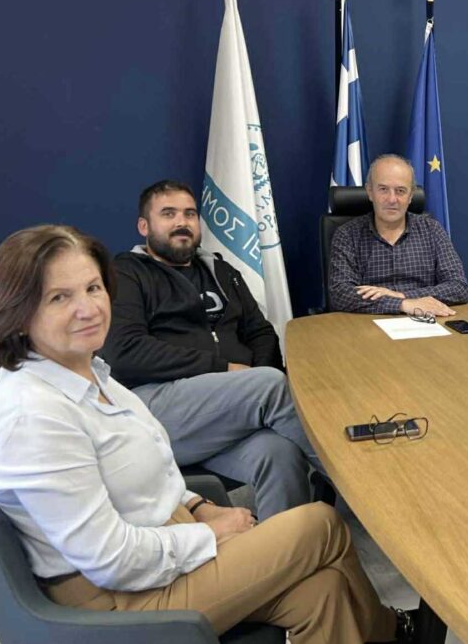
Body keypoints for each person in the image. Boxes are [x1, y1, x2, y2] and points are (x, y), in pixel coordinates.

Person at [0, 224, 414, 644]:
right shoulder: (33, 415)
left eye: (93, 288)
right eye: (59, 297)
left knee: (323, 589)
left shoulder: (88, 371)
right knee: (320, 523)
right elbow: (110, 560)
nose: (88, 308)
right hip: (118, 601)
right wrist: (208, 535)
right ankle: (388, 630)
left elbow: (147, 473)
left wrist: (197, 507)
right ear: (18, 312)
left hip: (158, 550)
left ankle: (382, 631)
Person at [100, 180, 324, 522]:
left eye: (190, 214)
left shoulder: (221, 270)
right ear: (144, 226)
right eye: (168, 214)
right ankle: (360, 486)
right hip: (156, 408)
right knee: (268, 384)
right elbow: (124, 352)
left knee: (279, 453)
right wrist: (226, 370)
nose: (182, 222)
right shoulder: (126, 274)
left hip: (226, 409)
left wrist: (254, 374)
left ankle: (287, 548)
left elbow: (260, 332)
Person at [329, 154, 468, 316]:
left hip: (425, 321)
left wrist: (402, 296)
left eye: (400, 191)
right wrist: (402, 304)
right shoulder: (347, 235)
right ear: (370, 192)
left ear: (411, 196)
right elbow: (340, 294)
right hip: (368, 323)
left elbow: (459, 287)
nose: (392, 199)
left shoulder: (432, 230)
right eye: (383, 189)